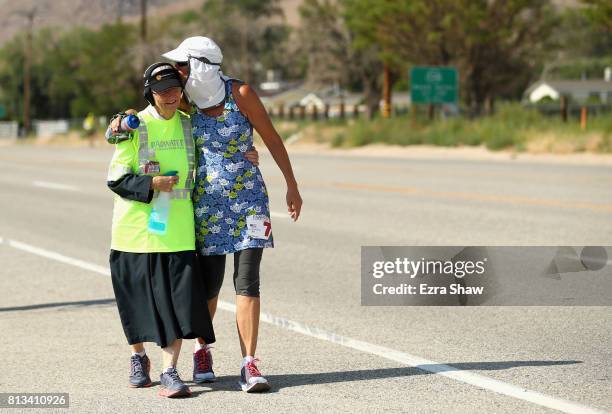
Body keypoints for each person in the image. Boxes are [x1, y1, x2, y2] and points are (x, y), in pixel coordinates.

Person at [162, 36, 303, 392]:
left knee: (248, 280)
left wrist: (291, 184)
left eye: (182, 65)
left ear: (201, 65)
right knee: (209, 285)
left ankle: (249, 363)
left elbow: (271, 137)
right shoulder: (185, 102)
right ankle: (202, 348)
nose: (176, 72)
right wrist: (120, 123)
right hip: (206, 204)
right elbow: (150, 116)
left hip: (250, 201)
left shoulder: (241, 94)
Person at [107, 62, 216, 398]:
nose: (171, 95)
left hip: (177, 235)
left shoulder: (189, 125)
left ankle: (170, 370)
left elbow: (217, 153)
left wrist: (249, 155)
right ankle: (138, 357)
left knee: (179, 306)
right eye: (162, 90)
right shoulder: (134, 126)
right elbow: (115, 179)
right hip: (135, 234)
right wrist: (151, 183)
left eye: (175, 89)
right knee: (137, 305)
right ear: (149, 94)